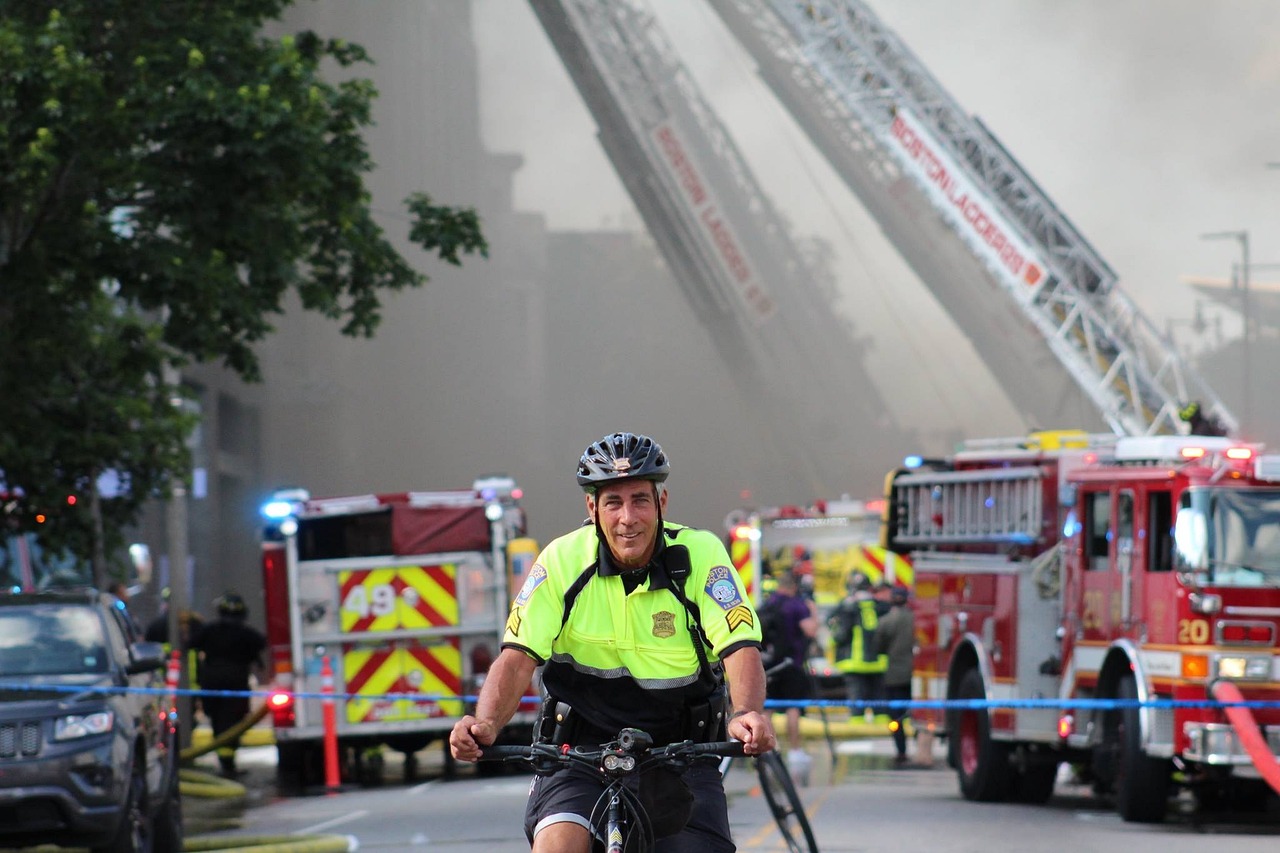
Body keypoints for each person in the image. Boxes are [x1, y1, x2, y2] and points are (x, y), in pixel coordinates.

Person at [449, 432, 776, 853]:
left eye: (640, 500)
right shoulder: (562, 559)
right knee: (557, 846)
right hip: (577, 749)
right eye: (613, 503)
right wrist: (486, 723)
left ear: (661, 503)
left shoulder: (700, 553)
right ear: (593, 508)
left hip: (681, 749)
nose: (628, 518)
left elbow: (739, 647)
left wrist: (746, 713)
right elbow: (517, 657)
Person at [190, 590, 266, 777]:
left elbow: (191, 642)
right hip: (236, 684)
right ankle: (228, 765)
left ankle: (226, 764)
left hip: (212, 683)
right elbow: (261, 643)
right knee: (233, 723)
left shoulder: (210, 630)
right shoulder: (246, 633)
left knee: (219, 722)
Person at [758, 571, 817, 773]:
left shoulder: (768, 603)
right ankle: (795, 750)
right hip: (792, 664)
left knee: (768, 709)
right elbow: (810, 631)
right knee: (793, 708)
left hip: (769, 665)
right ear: (793, 586)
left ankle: (770, 749)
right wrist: (812, 611)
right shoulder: (797, 605)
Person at [828, 571, 887, 722]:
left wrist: (833, 642)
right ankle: (880, 725)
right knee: (878, 695)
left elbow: (839, 634)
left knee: (856, 696)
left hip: (854, 661)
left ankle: (857, 723)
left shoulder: (846, 607)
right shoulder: (881, 606)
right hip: (878, 662)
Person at [877, 585, 915, 766]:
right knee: (918, 713)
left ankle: (901, 752)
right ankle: (921, 745)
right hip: (917, 676)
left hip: (894, 676)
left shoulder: (886, 621)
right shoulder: (916, 619)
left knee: (895, 717)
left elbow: (878, 647)